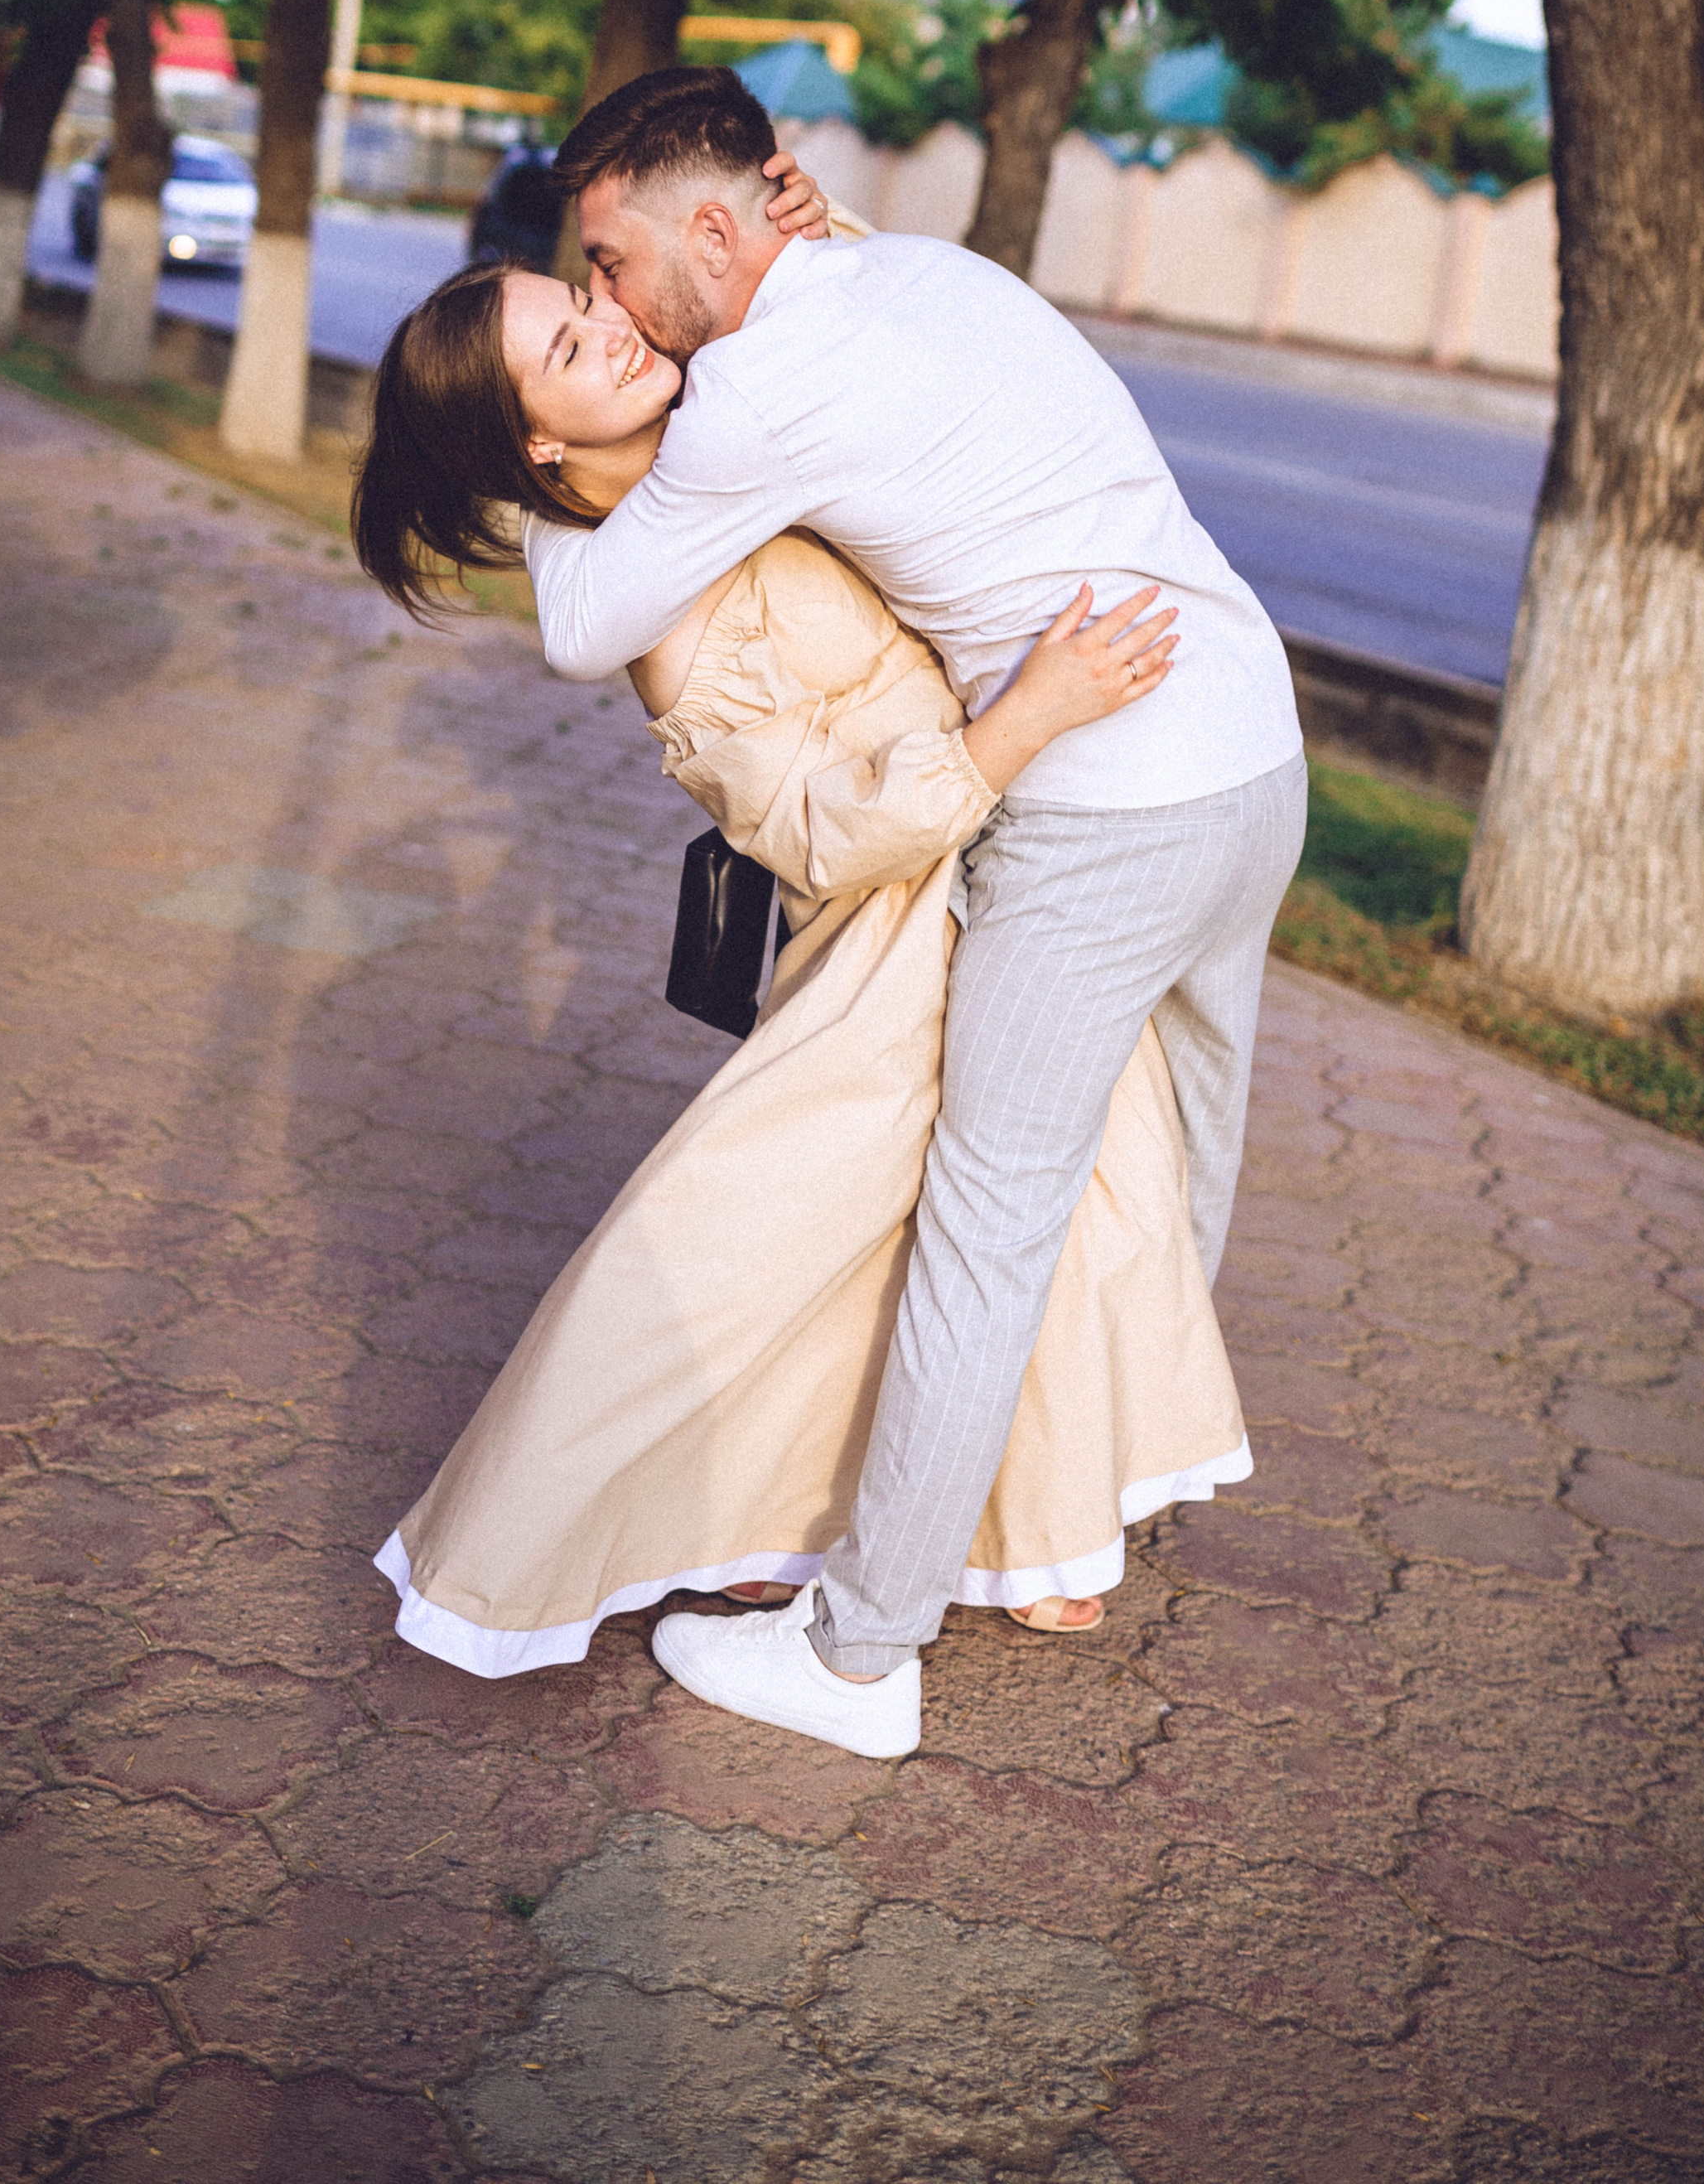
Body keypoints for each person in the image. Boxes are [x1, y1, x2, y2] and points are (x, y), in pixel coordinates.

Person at [354, 246, 1251, 1740]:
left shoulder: (722, 439)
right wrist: (1028, 719)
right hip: (890, 947)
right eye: (573, 347)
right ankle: (529, 1549)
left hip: (1007, 876)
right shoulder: (659, 623)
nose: (619, 334)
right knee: (746, 1257)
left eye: (593, 302)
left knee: (1069, 1208)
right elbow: (818, 831)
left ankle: (1022, 1530)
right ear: (539, 440)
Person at [514, 65, 1306, 1758]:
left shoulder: (751, 404)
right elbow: (831, 283)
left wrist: (506, 485)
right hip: (1254, 754)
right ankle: (1076, 1509)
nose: (604, 298)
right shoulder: (933, 270)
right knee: (1179, 1145)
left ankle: (859, 1656)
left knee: (988, 1218)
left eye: (607, 261)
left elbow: (587, 624)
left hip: (1106, 803)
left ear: (718, 227)